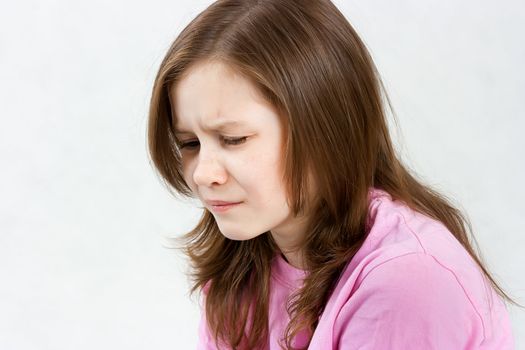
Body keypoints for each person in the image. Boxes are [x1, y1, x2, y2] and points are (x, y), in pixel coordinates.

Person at [146, 0, 520, 349]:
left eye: (233, 139)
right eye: (189, 144)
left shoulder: (408, 282)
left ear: (324, 128)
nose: (203, 174)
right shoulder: (242, 265)